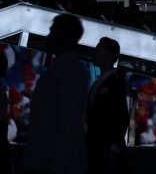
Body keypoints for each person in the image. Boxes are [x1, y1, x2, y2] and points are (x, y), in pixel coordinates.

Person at [24, 14, 88, 174]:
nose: (48, 37)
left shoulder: (71, 70)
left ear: (64, 37)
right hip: (46, 161)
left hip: (53, 164)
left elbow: (70, 122)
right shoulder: (60, 68)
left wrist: (57, 167)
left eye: (52, 32)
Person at [86, 37, 129, 174]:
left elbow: (121, 118)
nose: (95, 53)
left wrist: (114, 150)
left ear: (109, 57)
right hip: (94, 146)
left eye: (99, 50)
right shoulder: (99, 83)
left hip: (104, 148)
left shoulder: (115, 84)